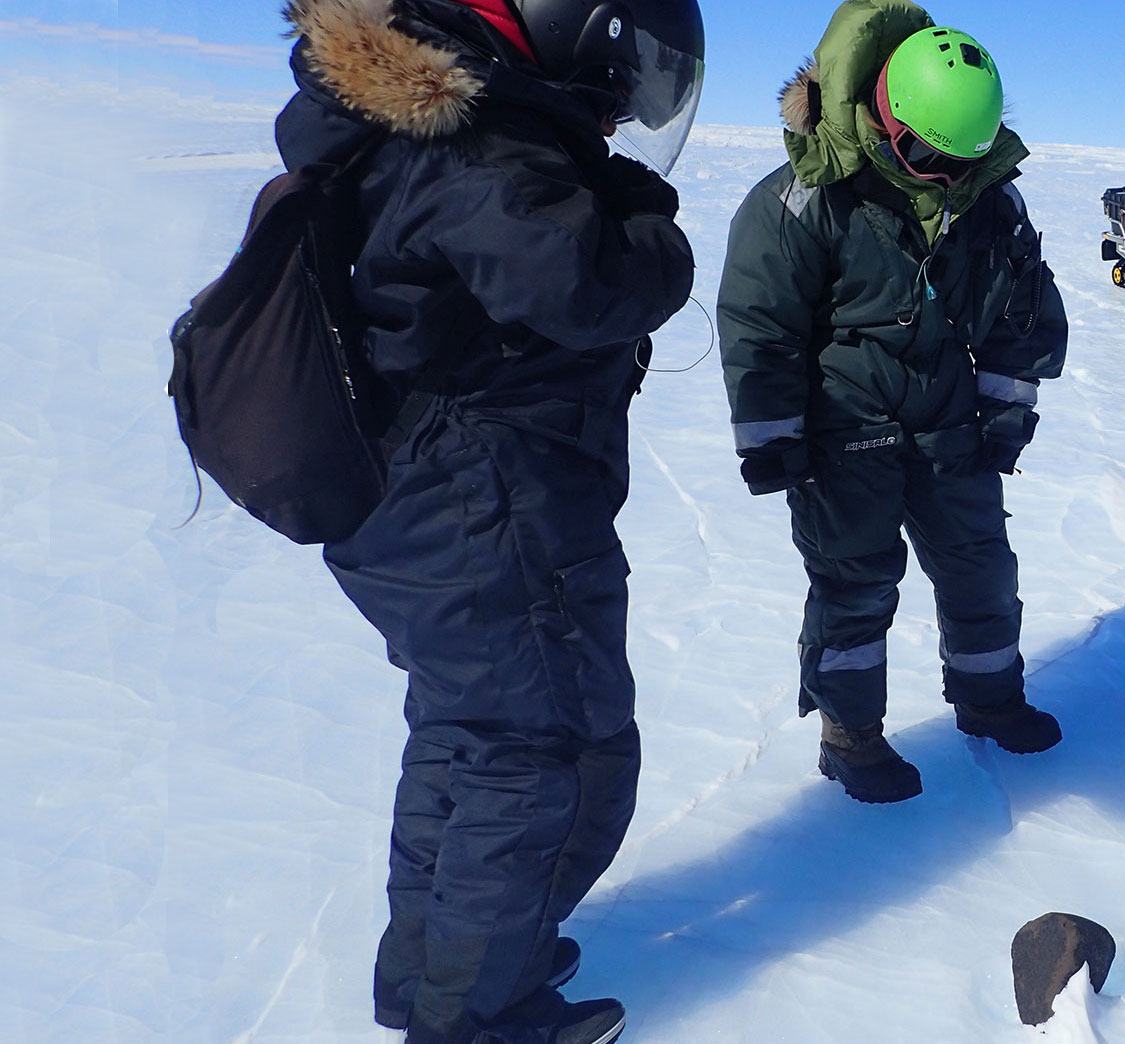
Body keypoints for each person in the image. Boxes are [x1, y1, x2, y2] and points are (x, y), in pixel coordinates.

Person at [278, 0, 701, 1039]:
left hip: (423, 498)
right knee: (548, 755)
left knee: (468, 738)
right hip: (489, 504)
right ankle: (478, 1012)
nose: (616, 105)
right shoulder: (476, 141)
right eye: (620, 69)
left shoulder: (418, 120)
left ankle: (439, 969)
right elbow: (586, 287)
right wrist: (646, 220)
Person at [717, 1, 1069, 805]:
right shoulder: (806, 197)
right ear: (884, 117)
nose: (942, 177)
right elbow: (759, 320)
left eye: (958, 162)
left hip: (950, 425)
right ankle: (851, 737)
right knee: (856, 588)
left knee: (982, 572)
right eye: (924, 155)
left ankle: (988, 699)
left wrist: (1008, 405)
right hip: (846, 434)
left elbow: (1023, 312)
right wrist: (773, 436)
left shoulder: (986, 199)